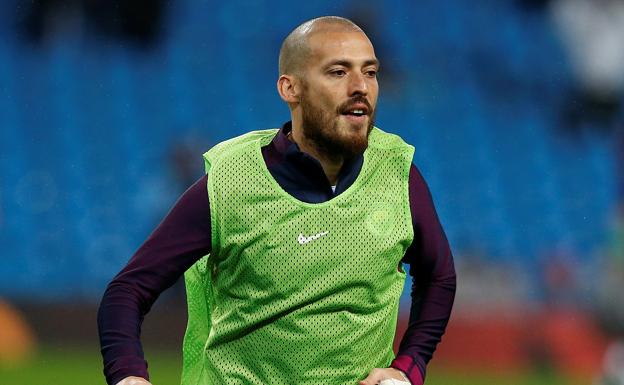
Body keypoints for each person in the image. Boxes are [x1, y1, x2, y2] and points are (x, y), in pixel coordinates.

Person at [98, 16, 456, 385]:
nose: (360, 87)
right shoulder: (231, 183)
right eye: (338, 72)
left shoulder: (397, 174)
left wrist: (408, 368)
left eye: (370, 72)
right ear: (290, 88)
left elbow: (438, 277)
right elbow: (128, 290)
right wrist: (128, 375)